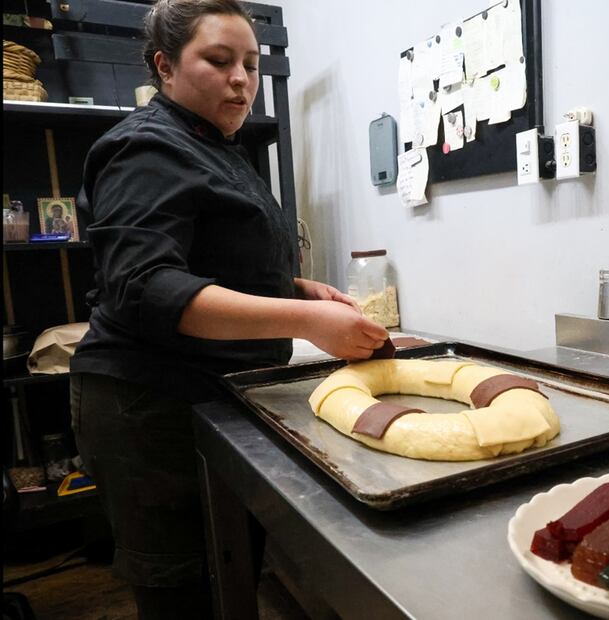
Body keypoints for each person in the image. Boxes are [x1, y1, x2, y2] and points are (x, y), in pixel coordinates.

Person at [69, 1, 390, 616]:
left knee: (231, 572)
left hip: (215, 393)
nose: (241, 79)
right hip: (151, 406)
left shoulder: (219, 148)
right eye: (218, 61)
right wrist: (307, 322)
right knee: (187, 596)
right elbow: (146, 286)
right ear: (165, 66)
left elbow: (216, 261)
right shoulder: (144, 148)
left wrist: (296, 289)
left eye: (250, 63)